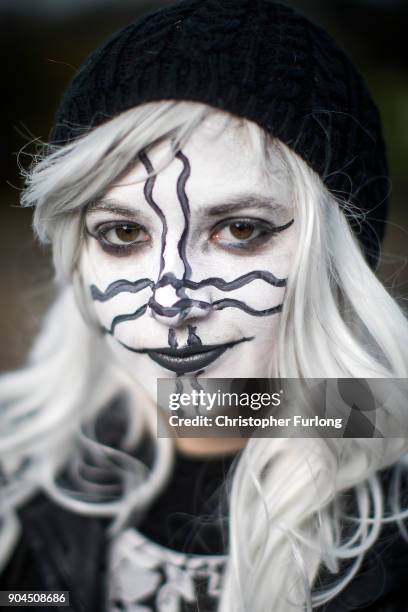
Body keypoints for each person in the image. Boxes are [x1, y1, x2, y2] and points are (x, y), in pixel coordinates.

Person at [1, 0, 408, 610]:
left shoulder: (386, 478)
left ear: (335, 256)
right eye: (122, 233)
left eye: (240, 230)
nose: (171, 304)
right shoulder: (20, 464)